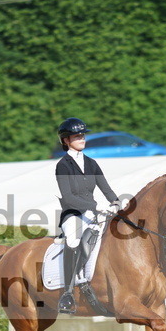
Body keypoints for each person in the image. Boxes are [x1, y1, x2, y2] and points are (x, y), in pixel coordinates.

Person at [54, 117, 120, 314]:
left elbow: (105, 188)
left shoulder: (91, 163)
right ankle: (67, 293)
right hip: (73, 214)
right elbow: (68, 197)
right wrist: (95, 207)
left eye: (82, 135)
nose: (82, 138)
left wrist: (116, 203)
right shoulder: (63, 165)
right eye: (77, 136)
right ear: (66, 140)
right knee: (73, 241)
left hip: (93, 213)